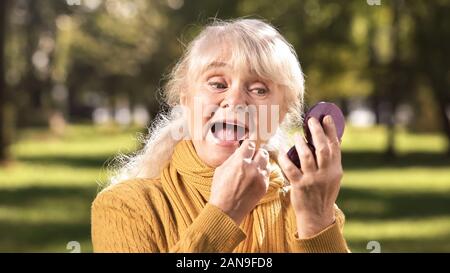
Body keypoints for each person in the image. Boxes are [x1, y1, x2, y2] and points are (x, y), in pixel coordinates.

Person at [91, 18, 349, 253]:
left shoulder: (311, 208)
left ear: (281, 114)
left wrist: (316, 222)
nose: (235, 100)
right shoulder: (125, 206)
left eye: (259, 89)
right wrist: (223, 214)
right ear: (186, 100)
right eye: (217, 84)